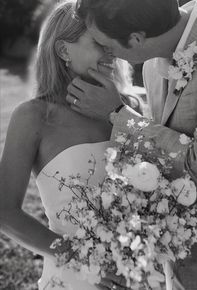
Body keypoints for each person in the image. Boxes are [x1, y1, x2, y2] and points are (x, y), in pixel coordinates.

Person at [67, 0, 197, 289]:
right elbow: (162, 151)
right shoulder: (151, 64)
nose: (106, 52)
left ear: (136, 39)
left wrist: (119, 114)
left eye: (106, 44)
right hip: (179, 256)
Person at [0, 1, 139, 289]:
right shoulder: (34, 116)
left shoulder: (130, 108)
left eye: (113, 41)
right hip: (74, 276)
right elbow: (4, 211)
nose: (111, 51)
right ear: (63, 50)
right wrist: (84, 258)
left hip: (139, 274)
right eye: (100, 42)